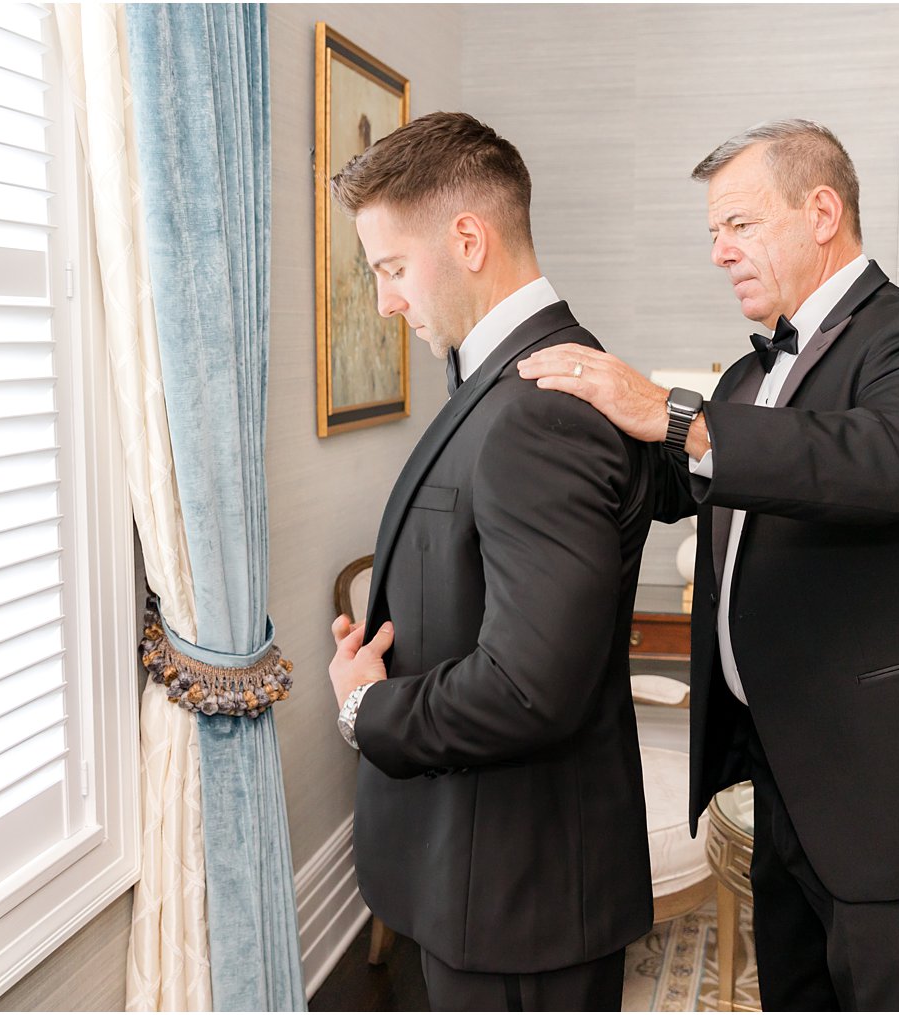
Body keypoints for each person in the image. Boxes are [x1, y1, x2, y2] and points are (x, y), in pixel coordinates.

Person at [518, 119, 899, 1012]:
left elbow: (881, 464)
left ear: (821, 212)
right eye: (711, 234)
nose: (719, 251)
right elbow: (665, 480)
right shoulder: (743, 381)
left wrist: (670, 409)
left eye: (738, 224)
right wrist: (552, 423)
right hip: (783, 782)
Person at [325, 111, 654, 1012]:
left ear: (467, 238)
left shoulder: (539, 408)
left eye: (392, 268)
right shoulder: (511, 376)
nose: (387, 301)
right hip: (489, 880)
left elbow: (527, 687)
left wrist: (368, 707)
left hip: (515, 894)